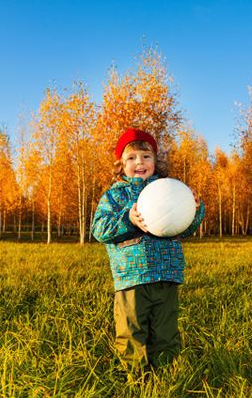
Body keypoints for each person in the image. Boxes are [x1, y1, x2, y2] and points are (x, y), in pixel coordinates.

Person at [91, 127, 205, 371]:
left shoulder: (170, 190)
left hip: (167, 275)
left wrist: (194, 209)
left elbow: (184, 228)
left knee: (166, 331)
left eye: (146, 156)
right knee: (131, 330)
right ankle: (134, 377)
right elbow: (100, 229)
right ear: (121, 164)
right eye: (131, 158)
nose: (139, 162)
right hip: (131, 278)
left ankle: (165, 374)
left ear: (155, 160)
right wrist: (128, 220)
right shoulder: (114, 196)